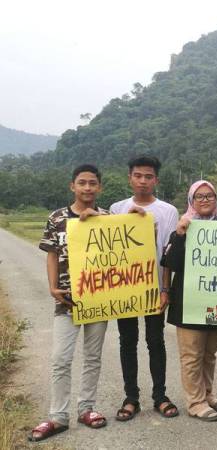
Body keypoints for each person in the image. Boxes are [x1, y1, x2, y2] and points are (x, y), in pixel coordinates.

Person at [29, 164, 108, 442]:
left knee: (93, 357)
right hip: (67, 299)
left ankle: (87, 408)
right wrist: (52, 287)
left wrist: (136, 217)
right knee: (61, 359)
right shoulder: (57, 217)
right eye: (82, 183)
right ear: (72, 186)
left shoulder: (107, 218)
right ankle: (58, 416)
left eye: (92, 183)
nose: (87, 188)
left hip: (99, 300)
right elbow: (51, 254)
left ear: (100, 188)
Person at [110, 155, 179, 421]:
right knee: (127, 340)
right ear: (130, 177)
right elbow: (112, 250)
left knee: (155, 340)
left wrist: (165, 289)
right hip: (125, 287)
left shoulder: (168, 211)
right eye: (138, 175)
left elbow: (167, 255)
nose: (142, 181)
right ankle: (131, 397)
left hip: (153, 287)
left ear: (156, 180)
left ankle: (160, 395)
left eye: (148, 176)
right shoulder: (117, 208)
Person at [160, 180, 217, 421]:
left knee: (210, 353)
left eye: (210, 195)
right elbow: (171, 264)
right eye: (199, 197)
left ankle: (208, 393)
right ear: (191, 201)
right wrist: (179, 235)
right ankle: (195, 402)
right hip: (188, 303)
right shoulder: (181, 229)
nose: (205, 200)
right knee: (191, 356)